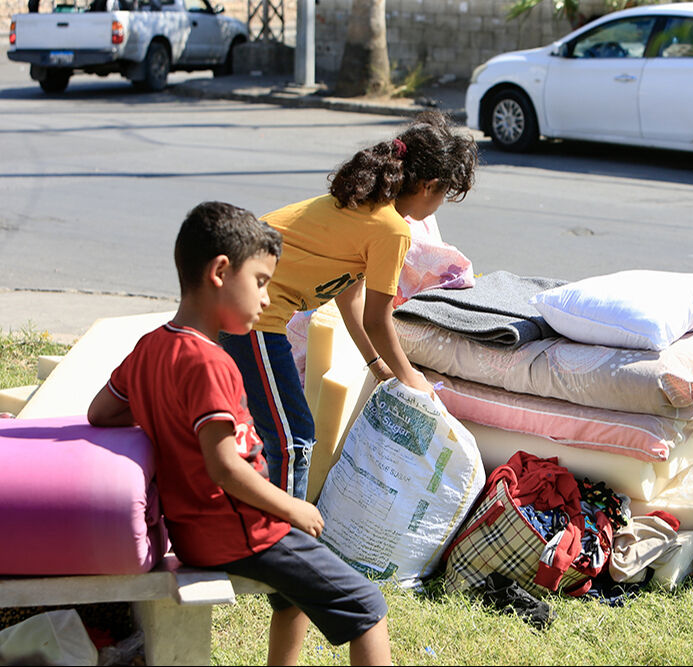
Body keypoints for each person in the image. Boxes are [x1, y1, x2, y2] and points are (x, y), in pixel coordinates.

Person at [87, 202, 391, 666]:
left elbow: (101, 411)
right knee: (367, 606)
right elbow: (225, 465)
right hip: (242, 532)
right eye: (261, 282)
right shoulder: (212, 361)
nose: (267, 300)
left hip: (192, 531)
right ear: (221, 272)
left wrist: (162, 421)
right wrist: (292, 505)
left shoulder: (150, 348)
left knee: (298, 592)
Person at [220, 110, 479, 500]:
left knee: (260, 423)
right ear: (429, 186)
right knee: (294, 439)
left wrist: (378, 366)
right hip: (250, 310)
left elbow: (348, 294)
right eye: (444, 196)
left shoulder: (369, 205)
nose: (439, 207)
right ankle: (283, 540)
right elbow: (378, 319)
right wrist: (411, 379)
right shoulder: (392, 229)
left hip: (231, 292)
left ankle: (254, 518)